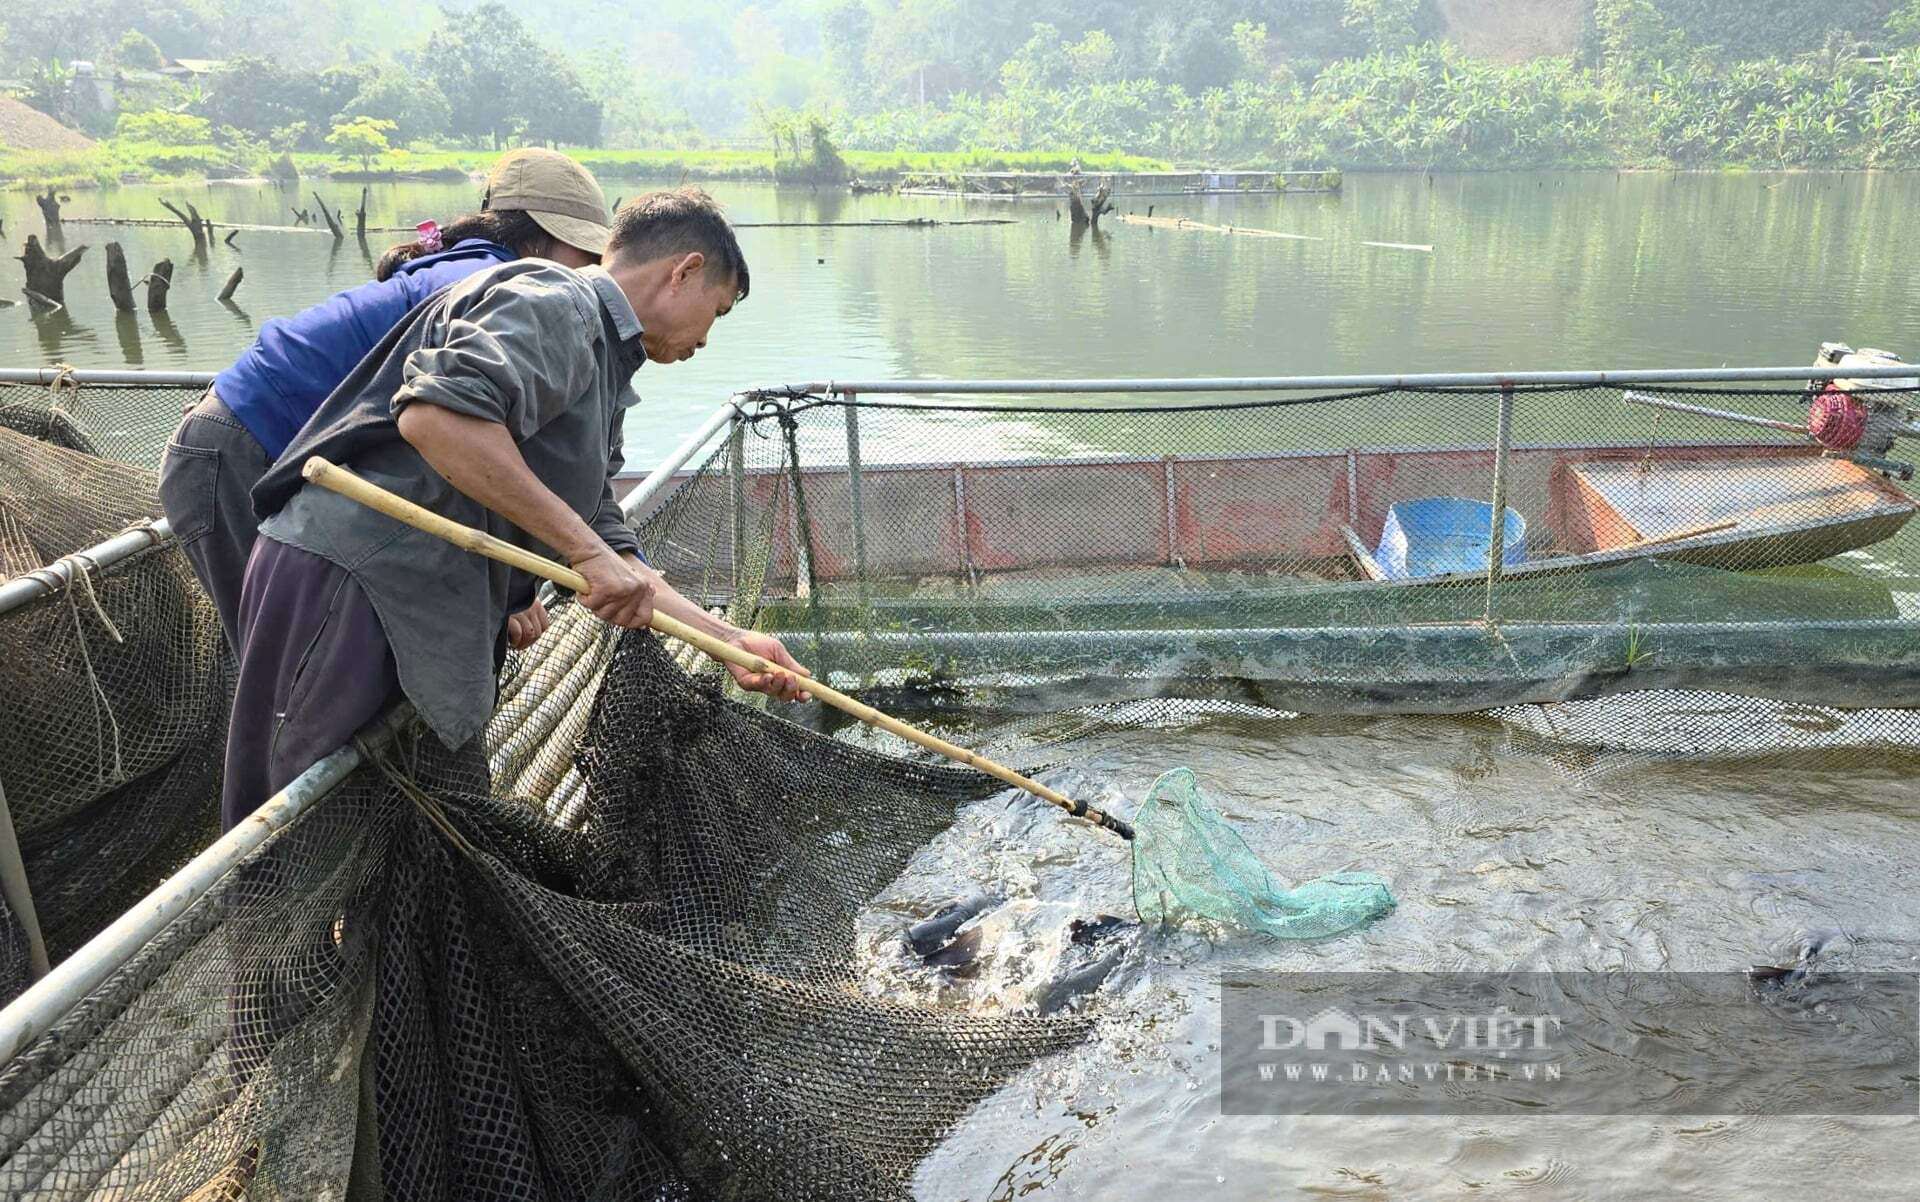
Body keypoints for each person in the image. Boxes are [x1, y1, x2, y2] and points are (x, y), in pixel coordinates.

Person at [222, 188, 807, 829]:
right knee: (300, 828)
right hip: (351, 587)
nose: (706, 339)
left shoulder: (605, 359)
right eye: (716, 313)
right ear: (684, 271)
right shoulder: (554, 303)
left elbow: (601, 532)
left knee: (430, 820)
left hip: (428, 603)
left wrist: (729, 642)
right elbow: (437, 417)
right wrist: (585, 553)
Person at [158, 147, 611, 655]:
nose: (592, 274)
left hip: (275, 453)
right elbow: (448, 434)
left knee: (306, 666)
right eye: (586, 255)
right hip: (238, 450)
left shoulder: (477, 272)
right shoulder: (494, 289)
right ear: (543, 239)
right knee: (286, 672)